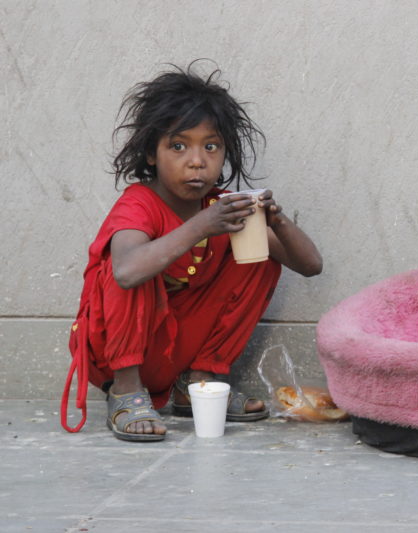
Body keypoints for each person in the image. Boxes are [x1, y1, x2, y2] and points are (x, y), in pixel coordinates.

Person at [60, 62, 323, 441]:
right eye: (178, 146)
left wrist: (276, 221)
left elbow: (311, 266)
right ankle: (126, 393)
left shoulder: (222, 207)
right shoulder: (139, 204)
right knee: (131, 267)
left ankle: (197, 384)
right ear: (152, 154)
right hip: (120, 356)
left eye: (211, 146)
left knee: (260, 256)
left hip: (178, 348)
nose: (197, 160)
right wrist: (202, 225)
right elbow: (126, 273)